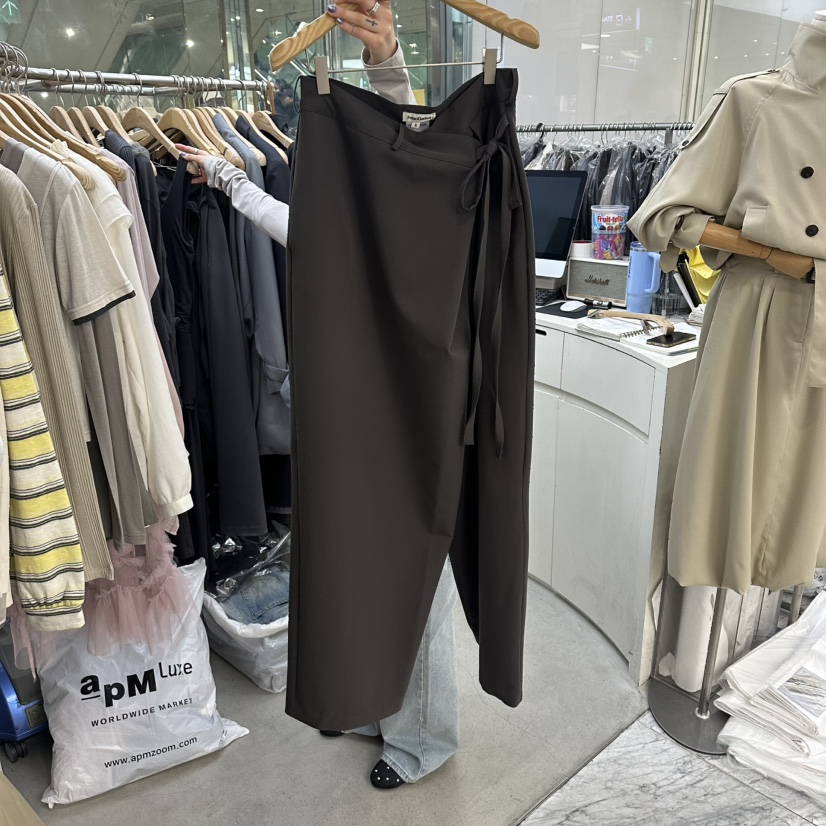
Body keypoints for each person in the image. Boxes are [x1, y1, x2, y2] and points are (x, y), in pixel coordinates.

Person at [178, 0, 460, 792]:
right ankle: (376, 701)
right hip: (347, 417)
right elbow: (293, 225)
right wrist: (227, 177)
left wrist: (387, 60)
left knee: (417, 578)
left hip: (412, 417)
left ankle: (423, 740)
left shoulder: (416, 213)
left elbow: (408, 145)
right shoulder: (342, 223)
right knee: (359, 569)